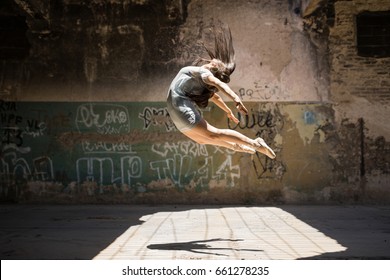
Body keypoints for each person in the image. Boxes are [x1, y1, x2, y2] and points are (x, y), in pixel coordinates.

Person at [166, 24, 275, 159]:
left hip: (181, 110)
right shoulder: (199, 80)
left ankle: (256, 144)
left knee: (214, 134)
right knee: (204, 139)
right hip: (176, 113)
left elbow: (219, 84)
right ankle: (241, 147)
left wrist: (235, 98)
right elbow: (215, 97)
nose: (216, 59)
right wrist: (228, 111)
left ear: (213, 66)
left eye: (218, 63)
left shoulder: (204, 73)